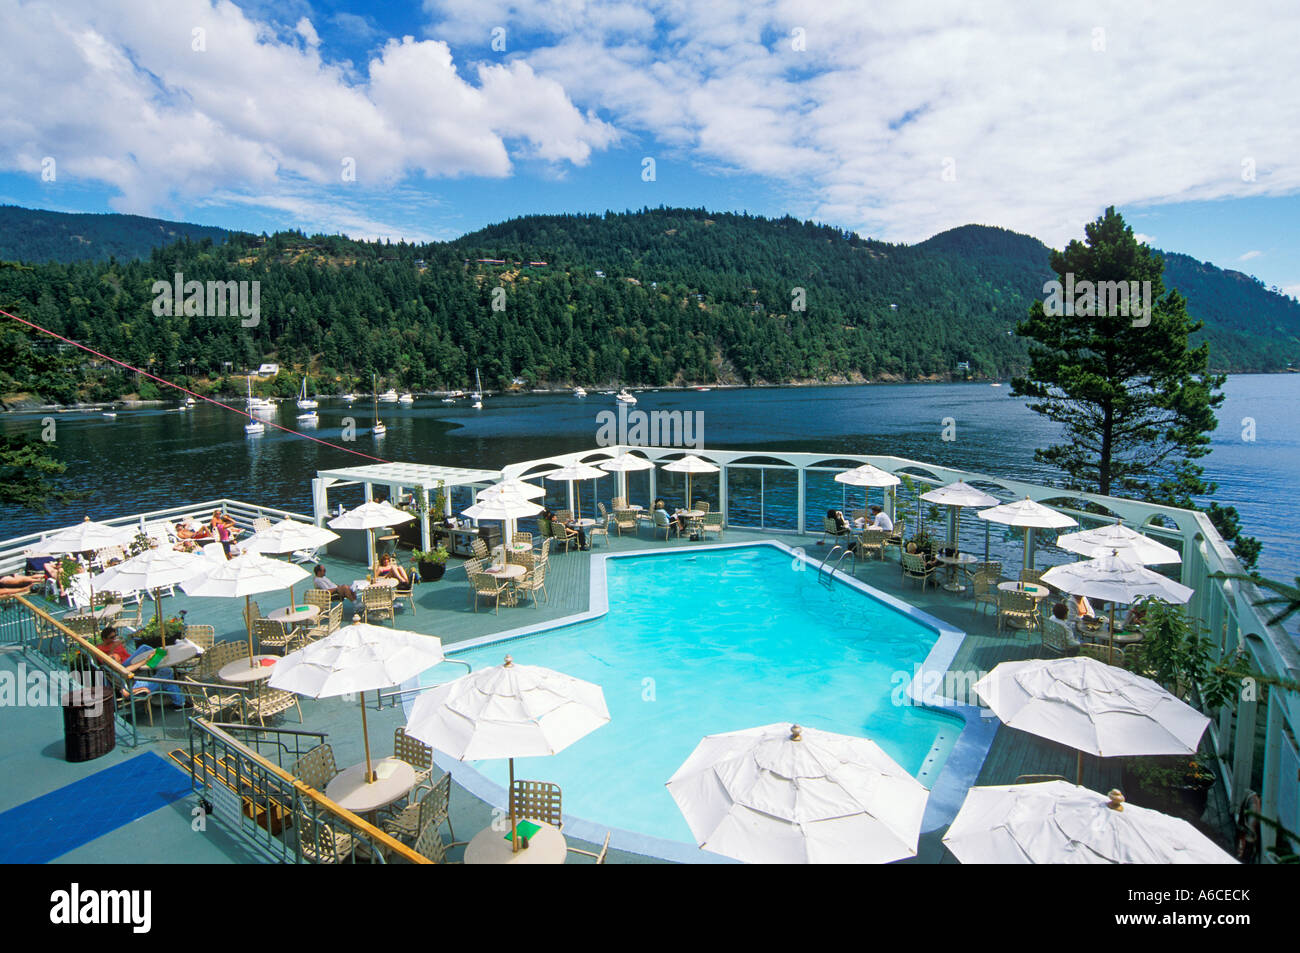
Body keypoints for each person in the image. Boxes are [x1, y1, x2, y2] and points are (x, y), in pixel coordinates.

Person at [99, 626, 186, 708]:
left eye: (115, 636)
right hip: (135, 687)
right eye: (111, 637)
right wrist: (147, 660)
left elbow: (126, 668)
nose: (114, 638)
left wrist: (146, 660)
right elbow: (125, 691)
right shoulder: (112, 664)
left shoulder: (115, 669)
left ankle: (179, 702)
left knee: (165, 673)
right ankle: (179, 702)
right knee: (167, 674)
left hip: (133, 681)